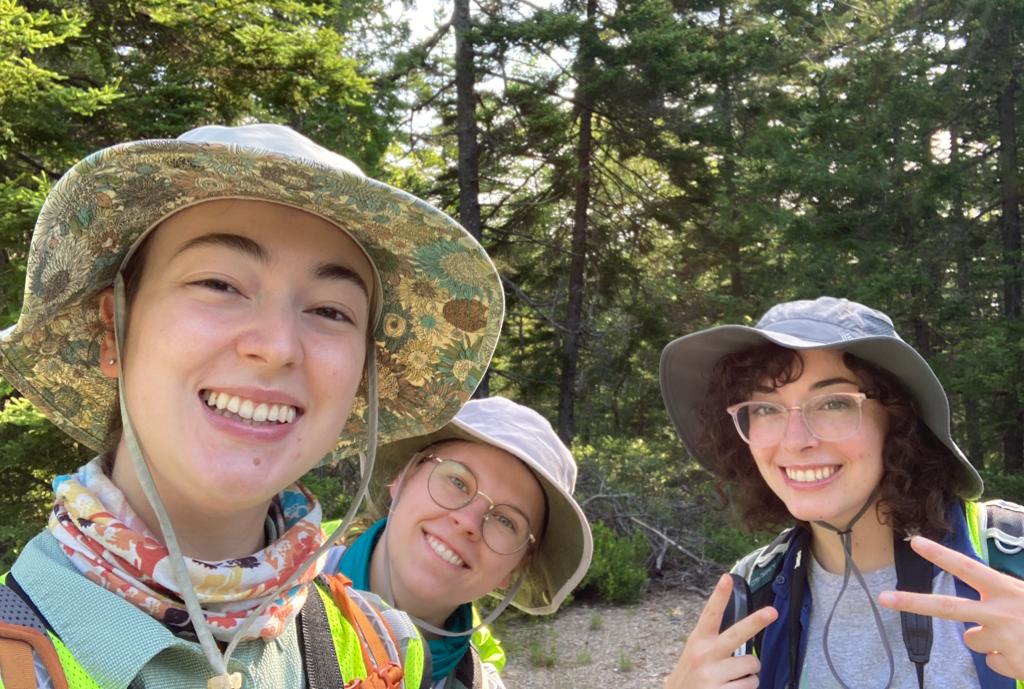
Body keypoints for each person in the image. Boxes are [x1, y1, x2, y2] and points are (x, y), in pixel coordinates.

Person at [0, 123, 505, 688]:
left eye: (332, 311)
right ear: (114, 331)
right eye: (219, 283)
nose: (278, 347)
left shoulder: (384, 656)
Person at [658, 297, 1024, 689]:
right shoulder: (753, 589)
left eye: (833, 403)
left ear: (900, 421)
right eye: (765, 409)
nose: (795, 441)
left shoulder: (1010, 552)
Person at [324, 396, 593, 689]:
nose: (468, 522)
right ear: (402, 478)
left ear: (514, 568)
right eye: (457, 482)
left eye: (506, 521)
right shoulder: (276, 586)